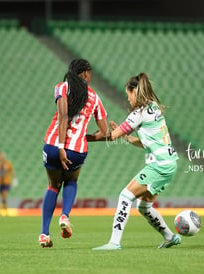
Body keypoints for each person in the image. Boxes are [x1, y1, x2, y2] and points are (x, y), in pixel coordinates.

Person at [93, 73, 180, 250]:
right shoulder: (154, 107)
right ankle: (170, 237)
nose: (128, 99)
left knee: (125, 195)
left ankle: (114, 242)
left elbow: (111, 136)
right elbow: (147, 142)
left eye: (128, 95)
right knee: (143, 206)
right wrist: (127, 137)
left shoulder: (138, 114)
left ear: (135, 92)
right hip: (169, 164)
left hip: (159, 166)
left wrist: (85, 138)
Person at [39, 59, 109, 248]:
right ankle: (65, 216)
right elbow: (105, 133)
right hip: (77, 150)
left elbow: (62, 116)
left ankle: (44, 234)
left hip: (53, 146)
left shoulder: (62, 87)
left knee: (53, 185)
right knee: (71, 181)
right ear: (85, 73)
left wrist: (61, 147)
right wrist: (85, 138)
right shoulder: (94, 97)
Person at [0, 152, 18, 216]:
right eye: (0, 156)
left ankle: (0, 210)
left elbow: (12, 172)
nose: (1, 158)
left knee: (4, 194)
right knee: (3, 197)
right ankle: (5, 210)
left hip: (7, 182)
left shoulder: (8, 164)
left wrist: (14, 180)